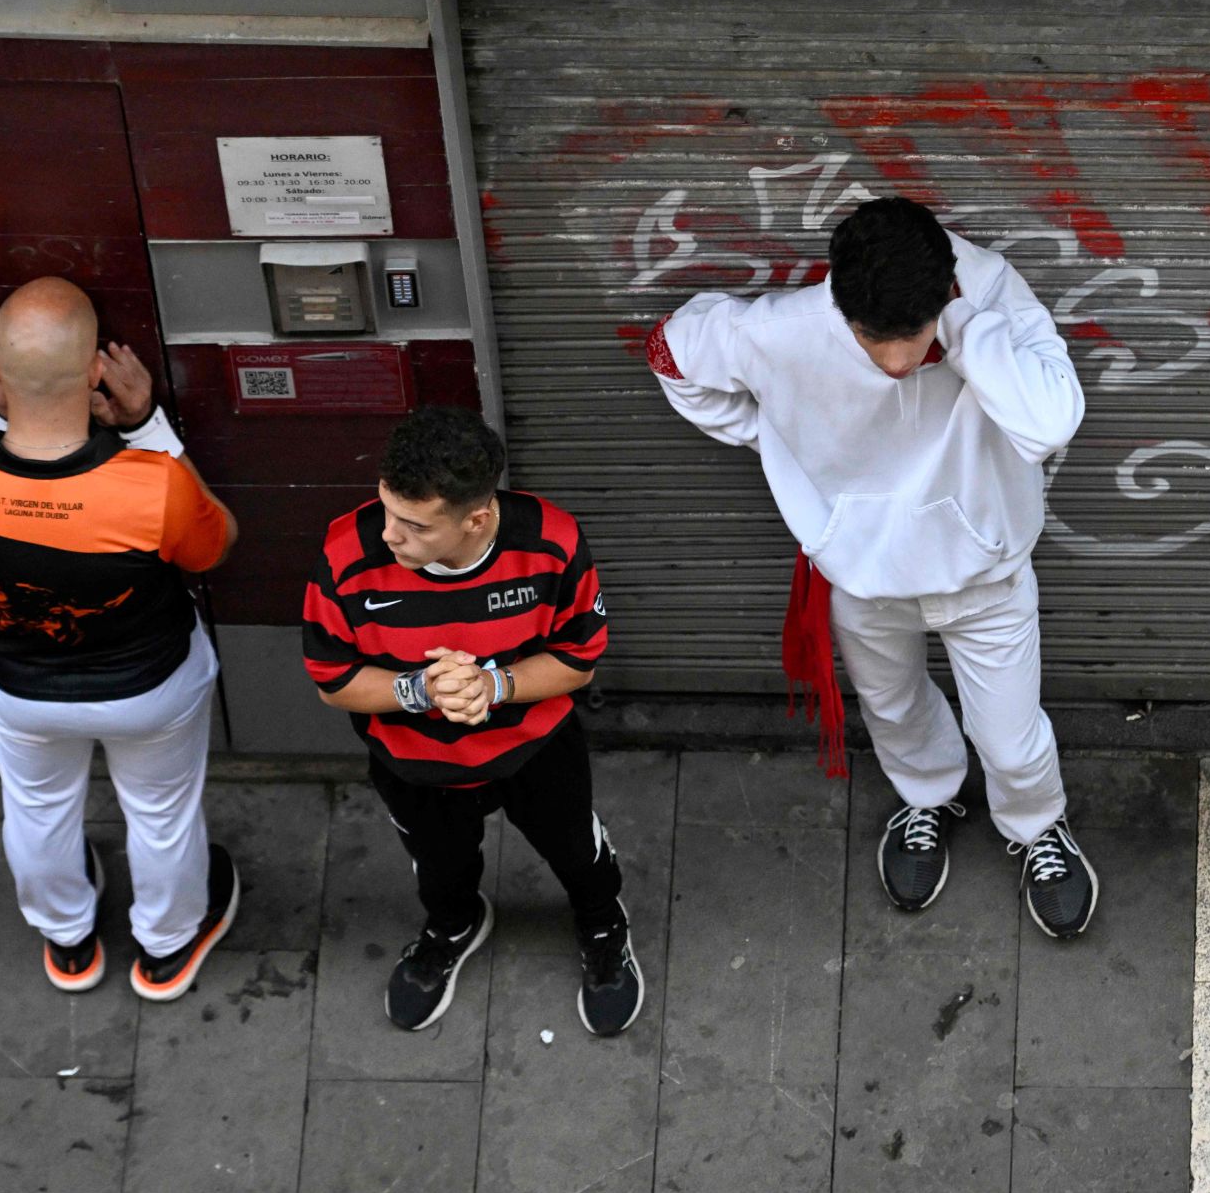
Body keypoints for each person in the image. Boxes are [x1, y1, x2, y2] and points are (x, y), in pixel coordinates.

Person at [647, 196, 1097, 938]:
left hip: (984, 576)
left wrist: (963, 331)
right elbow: (672, 349)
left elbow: (1051, 420)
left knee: (1013, 737)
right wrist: (772, 439)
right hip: (861, 574)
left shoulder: (986, 294)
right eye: (869, 338)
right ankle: (929, 795)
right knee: (890, 707)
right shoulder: (781, 328)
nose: (893, 362)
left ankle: (1035, 824)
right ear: (840, 303)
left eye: (909, 338)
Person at [0, 277, 240, 1000]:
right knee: (161, 811)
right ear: (96, 373)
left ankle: (68, 940)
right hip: (148, 689)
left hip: (18, 685)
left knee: (35, 803)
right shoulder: (153, 485)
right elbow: (216, 545)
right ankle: (167, 948)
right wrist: (148, 422)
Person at [301, 405, 638, 1034]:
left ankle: (601, 922)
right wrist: (418, 690)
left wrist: (493, 685)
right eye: (385, 509)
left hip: (536, 751)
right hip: (412, 764)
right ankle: (453, 925)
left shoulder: (552, 541)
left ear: (476, 518)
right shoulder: (346, 549)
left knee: (576, 852)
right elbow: (332, 680)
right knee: (440, 868)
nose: (390, 535)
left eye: (414, 525)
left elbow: (579, 660)